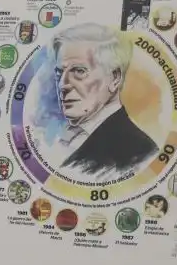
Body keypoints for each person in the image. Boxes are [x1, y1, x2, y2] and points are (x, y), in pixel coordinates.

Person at [49, 23, 157, 179]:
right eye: (60, 73)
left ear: (115, 78)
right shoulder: (63, 139)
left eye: (79, 71)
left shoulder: (139, 153)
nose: (62, 85)